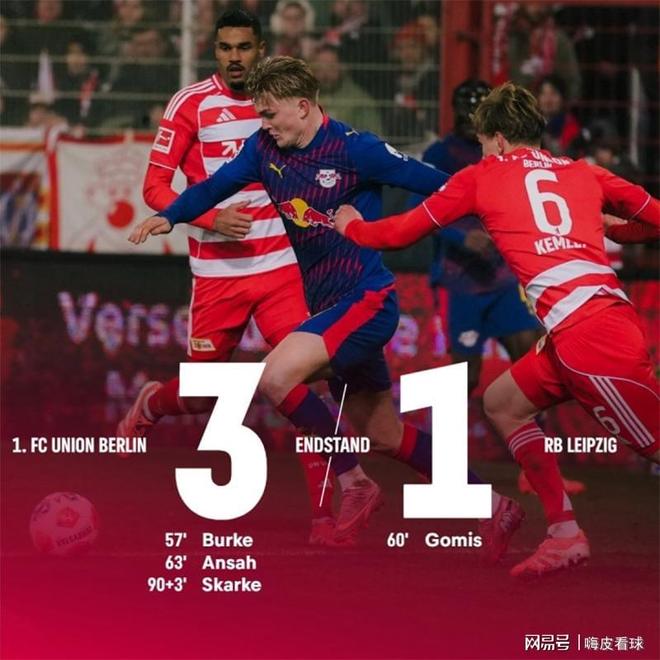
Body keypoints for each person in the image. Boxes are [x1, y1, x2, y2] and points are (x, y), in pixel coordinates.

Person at [129, 56, 524, 557]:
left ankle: (354, 483)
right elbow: (213, 186)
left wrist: (506, 205)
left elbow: (440, 184)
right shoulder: (263, 148)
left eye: (269, 114)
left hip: (366, 300)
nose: (263, 124)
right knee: (383, 434)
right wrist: (171, 216)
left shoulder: (357, 149)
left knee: (276, 377)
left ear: (302, 106)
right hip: (329, 309)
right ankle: (494, 505)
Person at [333, 82, 659, 577]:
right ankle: (564, 533)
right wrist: (616, 229)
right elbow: (654, 220)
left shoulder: (482, 176)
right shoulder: (584, 172)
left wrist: (351, 226)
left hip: (592, 338)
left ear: (500, 139)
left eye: (484, 141)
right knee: (503, 402)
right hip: (584, 328)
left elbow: (399, 234)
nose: (482, 149)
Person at [117, 10, 337, 546]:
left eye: (244, 47)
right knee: (203, 396)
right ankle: (153, 402)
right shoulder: (190, 104)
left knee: (302, 381)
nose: (235, 57)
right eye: (225, 48)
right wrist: (212, 217)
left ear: (261, 48)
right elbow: (154, 188)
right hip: (218, 273)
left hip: (282, 266)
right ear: (214, 50)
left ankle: (326, 518)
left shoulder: (285, 97)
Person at [422, 79, 583, 497]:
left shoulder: (506, 153)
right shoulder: (439, 155)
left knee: (532, 362)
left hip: (502, 277)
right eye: (467, 111)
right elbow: (417, 212)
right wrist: (462, 237)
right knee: (464, 376)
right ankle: (445, 471)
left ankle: (537, 472)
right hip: (460, 282)